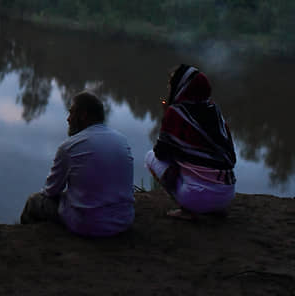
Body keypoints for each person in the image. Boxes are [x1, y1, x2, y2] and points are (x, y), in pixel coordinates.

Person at [20, 91, 135, 237]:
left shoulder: (69, 147)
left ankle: (29, 239)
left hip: (88, 225)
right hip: (124, 221)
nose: (68, 119)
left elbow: (51, 191)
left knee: (34, 202)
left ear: (83, 115)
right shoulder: (122, 140)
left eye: (71, 113)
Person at [145, 64, 236, 219]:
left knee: (150, 157)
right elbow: (231, 157)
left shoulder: (176, 113)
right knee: (190, 163)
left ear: (181, 87)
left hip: (196, 198)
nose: (169, 89)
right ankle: (213, 207)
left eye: (171, 85)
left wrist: (165, 118)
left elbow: (160, 153)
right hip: (227, 195)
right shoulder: (215, 111)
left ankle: (187, 209)